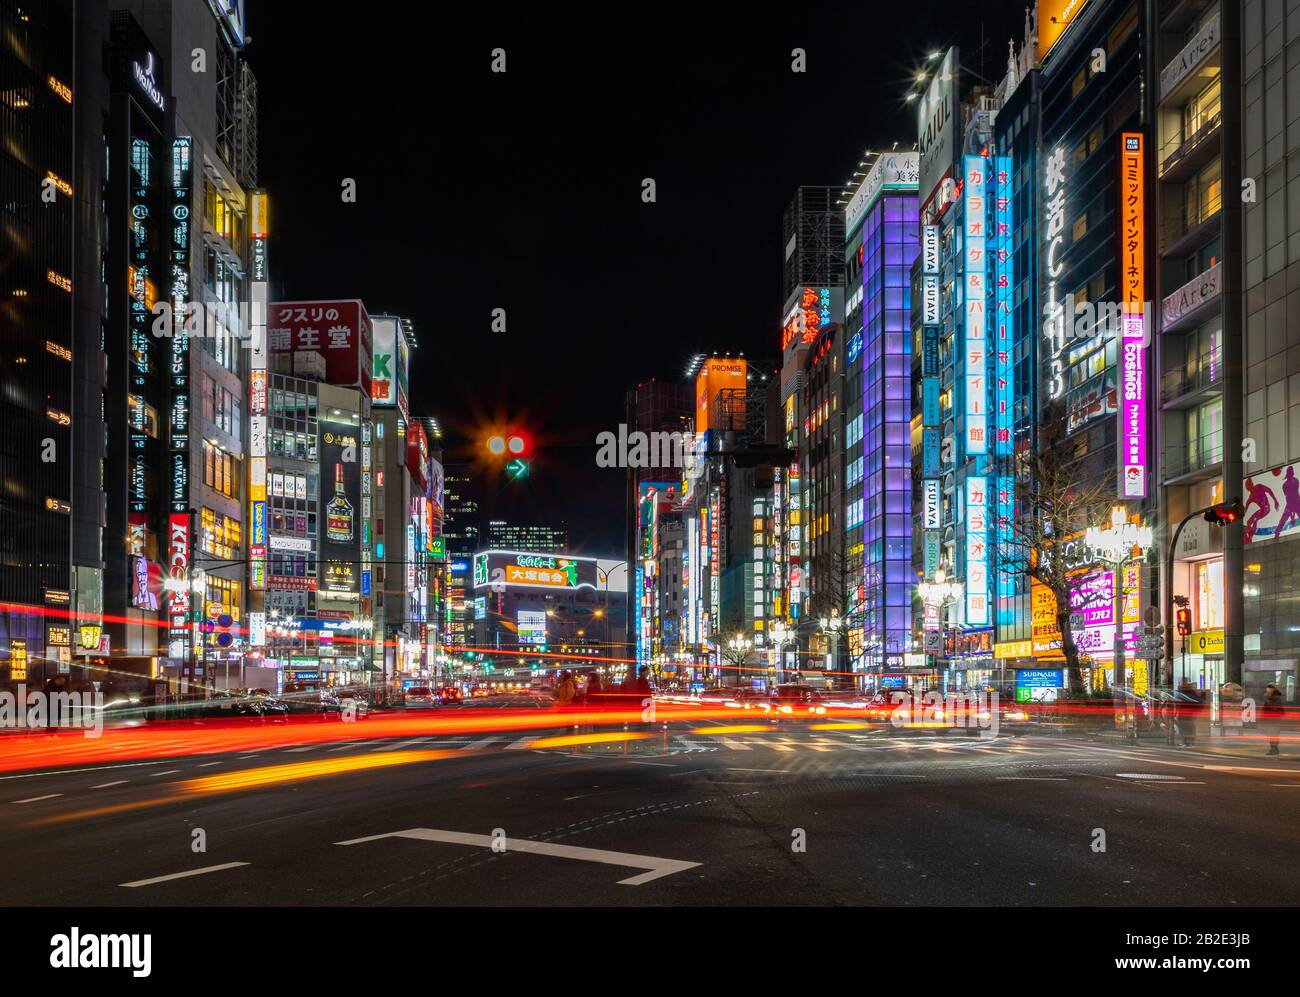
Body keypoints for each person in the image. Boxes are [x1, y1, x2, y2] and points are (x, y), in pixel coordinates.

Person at [1263, 682, 1285, 756]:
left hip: (1275, 720)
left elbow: (1278, 709)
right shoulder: (1269, 697)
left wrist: (1268, 700)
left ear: (1273, 689)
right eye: (1268, 687)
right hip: (1269, 720)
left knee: (1273, 735)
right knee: (1271, 735)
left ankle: (1274, 749)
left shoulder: (1276, 697)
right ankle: (1274, 749)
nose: (1268, 689)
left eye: (1270, 687)